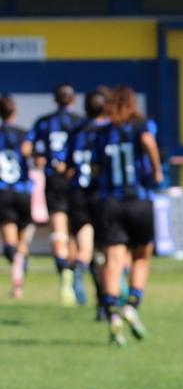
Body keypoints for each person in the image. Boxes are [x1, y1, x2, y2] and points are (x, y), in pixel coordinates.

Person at [91, 86, 164, 345]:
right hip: (138, 200)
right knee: (141, 256)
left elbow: (95, 169)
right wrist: (157, 171)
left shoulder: (102, 133)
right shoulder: (141, 126)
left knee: (113, 260)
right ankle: (132, 304)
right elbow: (148, 142)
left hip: (111, 202)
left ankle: (112, 313)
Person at [28, 83, 84, 305]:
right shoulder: (80, 123)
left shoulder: (44, 122)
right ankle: (77, 270)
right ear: (73, 99)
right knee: (75, 232)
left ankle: (65, 276)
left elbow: (30, 149)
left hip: (54, 181)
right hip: (76, 180)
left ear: (55, 100)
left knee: (59, 230)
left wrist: (40, 159)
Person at [64, 87, 111, 312]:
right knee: (106, 251)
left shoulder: (76, 131)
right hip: (102, 195)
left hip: (78, 194)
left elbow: (67, 168)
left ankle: (80, 266)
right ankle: (106, 299)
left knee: (86, 246)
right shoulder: (109, 130)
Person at [0, 94, 33, 299]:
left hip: (3, 192)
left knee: (10, 242)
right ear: (15, 111)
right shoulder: (24, 135)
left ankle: (17, 280)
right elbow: (33, 157)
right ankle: (18, 281)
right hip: (23, 192)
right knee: (22, 240)